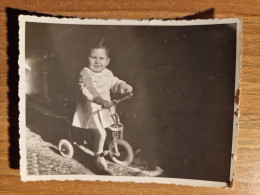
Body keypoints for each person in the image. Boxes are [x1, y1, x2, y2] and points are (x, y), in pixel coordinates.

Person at [72, 38, 133, 171]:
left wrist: (123, 86)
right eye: (93, 57)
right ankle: (98, 156)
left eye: (101, 58)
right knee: (101, 132)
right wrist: (100, 101)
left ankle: (112, 146)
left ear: (107, 61)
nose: (97, 62)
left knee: (115, 125)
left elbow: (114, 82)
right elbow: (88, 90)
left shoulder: (107, 73)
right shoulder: (85, 73)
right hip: (91, 108)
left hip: (106, 107)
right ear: (87, 58)